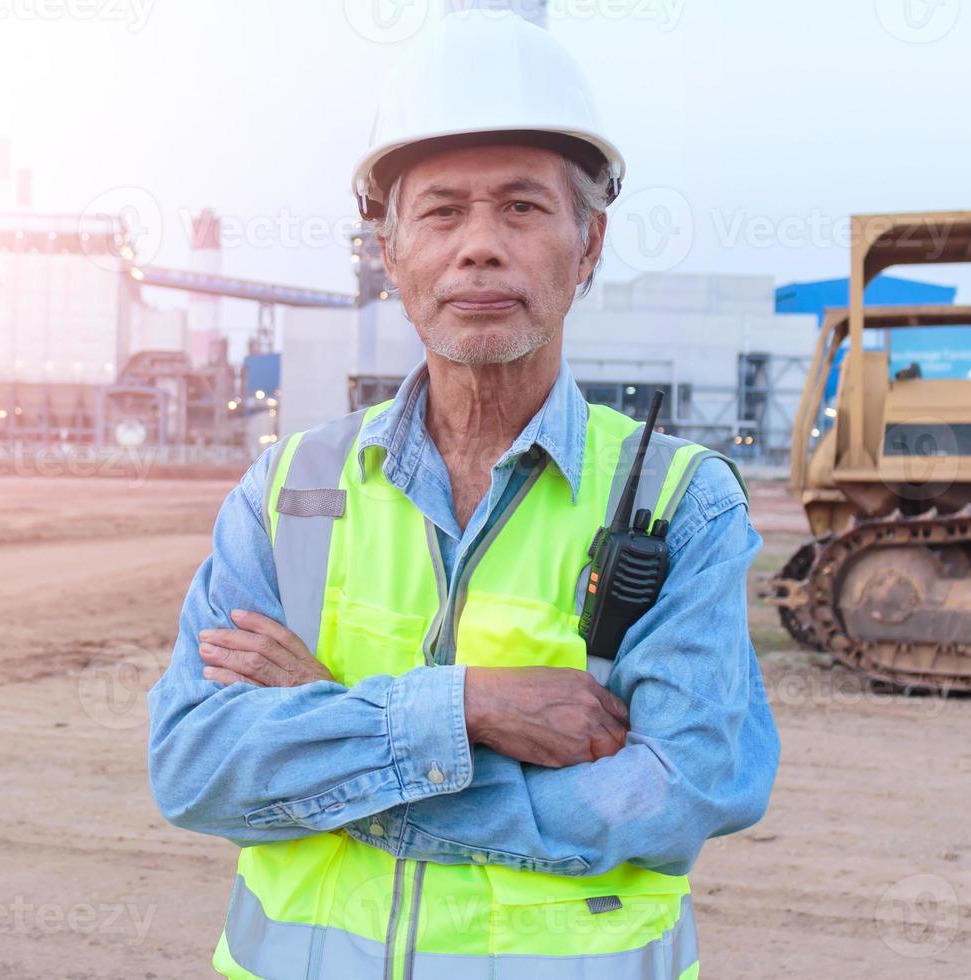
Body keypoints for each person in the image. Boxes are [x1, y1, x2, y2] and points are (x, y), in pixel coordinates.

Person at [147, 11, 778, 978]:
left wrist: (334, 724)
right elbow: (196, 766)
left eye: (522, 208)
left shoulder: (680, 504)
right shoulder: (292, 490)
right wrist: (465, 708)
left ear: (590, 243)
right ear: (390, 253)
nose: (480, 246)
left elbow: (678, 789)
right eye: (442, 211)